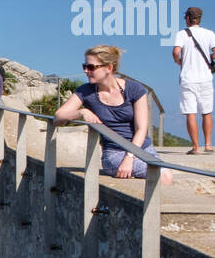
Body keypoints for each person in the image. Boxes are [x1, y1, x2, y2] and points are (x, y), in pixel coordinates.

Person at [54, 45, 172, 183]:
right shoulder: (86, 91)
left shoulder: (134, 89)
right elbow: (58, 116)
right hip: (114, 153)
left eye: (91, 67)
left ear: (109, 68)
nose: (86, 71)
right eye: (84, 66)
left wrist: (129, 157)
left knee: (165, 175)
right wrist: (81, 111)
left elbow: (141, 129)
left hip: (142, 149)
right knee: (162, 174)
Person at [172, 6, 215, 154]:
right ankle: (208, 145)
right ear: (199, 19)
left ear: (187, 18)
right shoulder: (209, 33)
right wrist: (209, 57)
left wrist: (179, 61)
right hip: (206, 78)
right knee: (206, 112)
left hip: (188, 78)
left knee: (191, 113)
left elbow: (176, 51)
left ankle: (195, 147)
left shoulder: (182, 34)